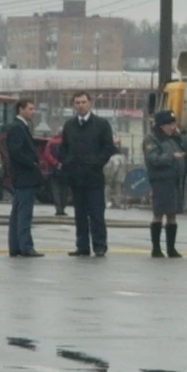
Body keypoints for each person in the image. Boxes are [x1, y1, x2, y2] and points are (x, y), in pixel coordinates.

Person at [59, 91, 118, 258]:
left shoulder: (101, 124)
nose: (80, 105)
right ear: (73, 105)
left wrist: (96, 162)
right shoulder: (69, 125)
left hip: (94, 177)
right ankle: (82, 245)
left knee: (96, 214)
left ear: (90, 103)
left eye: (83, 102)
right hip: (76, 177)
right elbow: (63, 147)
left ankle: (100, 246)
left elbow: (108, 148)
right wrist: (67, 161)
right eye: (77, 103)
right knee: (80, 214)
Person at [143, 111, 187, 258]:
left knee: (172, 214)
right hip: (160, 181)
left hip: (174, 180)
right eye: (169, 124)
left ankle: (171, 248)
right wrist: (171, 157)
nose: (172, 127)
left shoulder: (173, 138)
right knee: (159, 214)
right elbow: (153, 159)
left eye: (173, 124)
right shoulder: (152, 139)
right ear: (161, 125)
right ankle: (156, 248)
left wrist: (180, 135)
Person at [5, 99, 43, 258]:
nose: (33, 112)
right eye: (30, 108)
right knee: (24, 214)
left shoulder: (21, 126)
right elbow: (16, 152)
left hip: (22, 176)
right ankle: (26, 246)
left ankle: (16, 246)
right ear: (21, 109)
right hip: (24, 176)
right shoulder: (17, 127)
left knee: (17, 213)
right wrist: (33, 163)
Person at [43, 131, 67, 215]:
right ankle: (63, 208)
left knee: (55, 189)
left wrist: (55, 163)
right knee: (64, 189)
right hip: (65, 169)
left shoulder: (51, 142)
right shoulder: (68, 142)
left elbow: (46, 155)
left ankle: (58, 208)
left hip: (53, 169)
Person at [104, 138, 127, 209]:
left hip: (112, 176)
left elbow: (115, 167)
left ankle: (107, 202)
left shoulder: (114, 157)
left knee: (108, 188)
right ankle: (118, 204)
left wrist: (111, 176)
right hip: (120, 177)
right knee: (118, 190)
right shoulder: (123, 157)